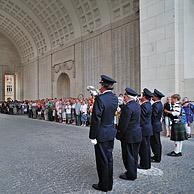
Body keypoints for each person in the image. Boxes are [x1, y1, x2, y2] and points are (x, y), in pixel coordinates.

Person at [89, 75, 118, 192]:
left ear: (102, 86)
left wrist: (92, 135)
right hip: (110, 131)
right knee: (109, 158)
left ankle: (103, 185)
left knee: (102, 160)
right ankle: (109, 183)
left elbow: (96, 119)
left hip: (101, 133)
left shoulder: (100, 99)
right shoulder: (114, 98)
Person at [116, 88, 142, 180]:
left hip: (129, 136)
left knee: (128, 156)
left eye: (124, 96)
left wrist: (118, 134)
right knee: (134, 155)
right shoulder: (137, 105)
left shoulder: (128, 107)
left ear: (127, 97)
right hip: (137, 134)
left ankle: (130, 175)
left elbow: (123, 124)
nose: (123, 97)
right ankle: (132, 172)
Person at [138, 88, 153, 170]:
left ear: (144, 96)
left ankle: (144, 164)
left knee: (143, 148)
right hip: (147, 129)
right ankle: (147, 164)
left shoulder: (144, 106)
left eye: (142, 95)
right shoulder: (148, 104)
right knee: (146, 147)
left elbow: (142, 119)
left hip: (143, 129)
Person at [150, 89, 165, 163]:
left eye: (153, 95)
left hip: (154, 126)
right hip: (156, 125)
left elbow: (153, 116)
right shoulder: (159, 104)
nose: (152, 96)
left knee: (155, 142)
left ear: (156, 97)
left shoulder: (156, 105)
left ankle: (157, 157)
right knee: (156, 142)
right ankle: (156, 155)